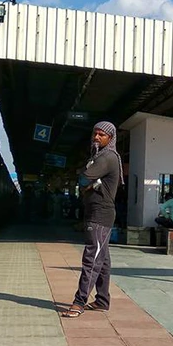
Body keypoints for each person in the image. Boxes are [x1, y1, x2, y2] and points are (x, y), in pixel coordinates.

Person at [61, 121, 122, 318]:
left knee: (92, 258)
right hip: (95, 211)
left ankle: (79, 301)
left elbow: (84, 177)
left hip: (100, 214)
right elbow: (87, 180)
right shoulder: (98, 156)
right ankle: (102, 300)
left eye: (102, 135)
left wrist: (88, 182)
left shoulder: (107, 157)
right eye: (95, 133)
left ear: (110, 138)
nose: (97, 137)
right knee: (102, 259)